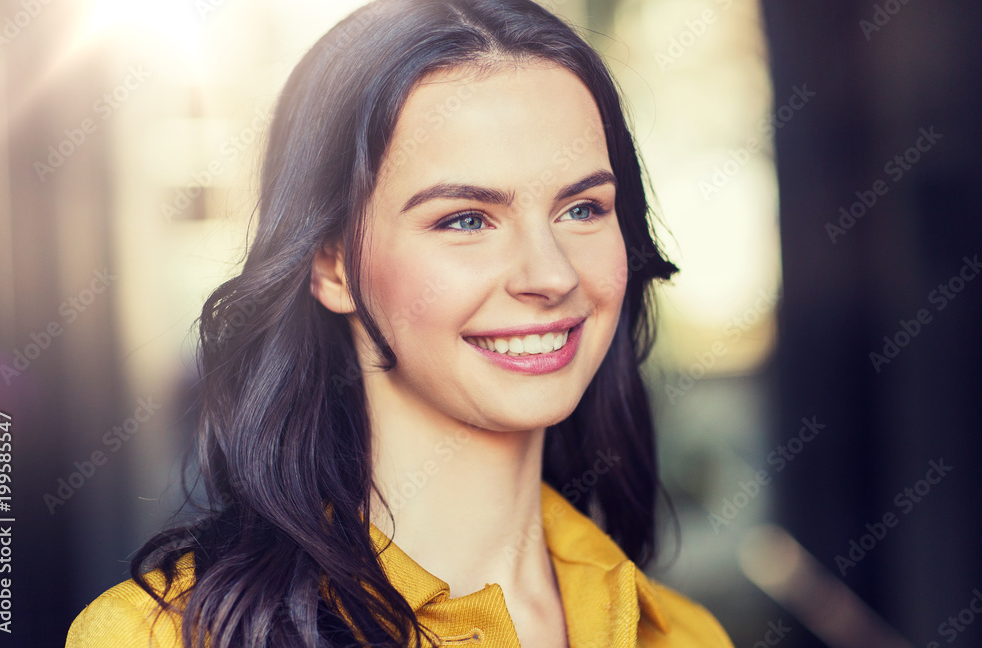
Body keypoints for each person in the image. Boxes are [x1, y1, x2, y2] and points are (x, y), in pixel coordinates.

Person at [65, 0, 736, 646]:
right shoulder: (156, 637)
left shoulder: (688, 637)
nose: (552, 275)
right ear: (330, 264)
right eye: (466, 220)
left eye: (583, 209)